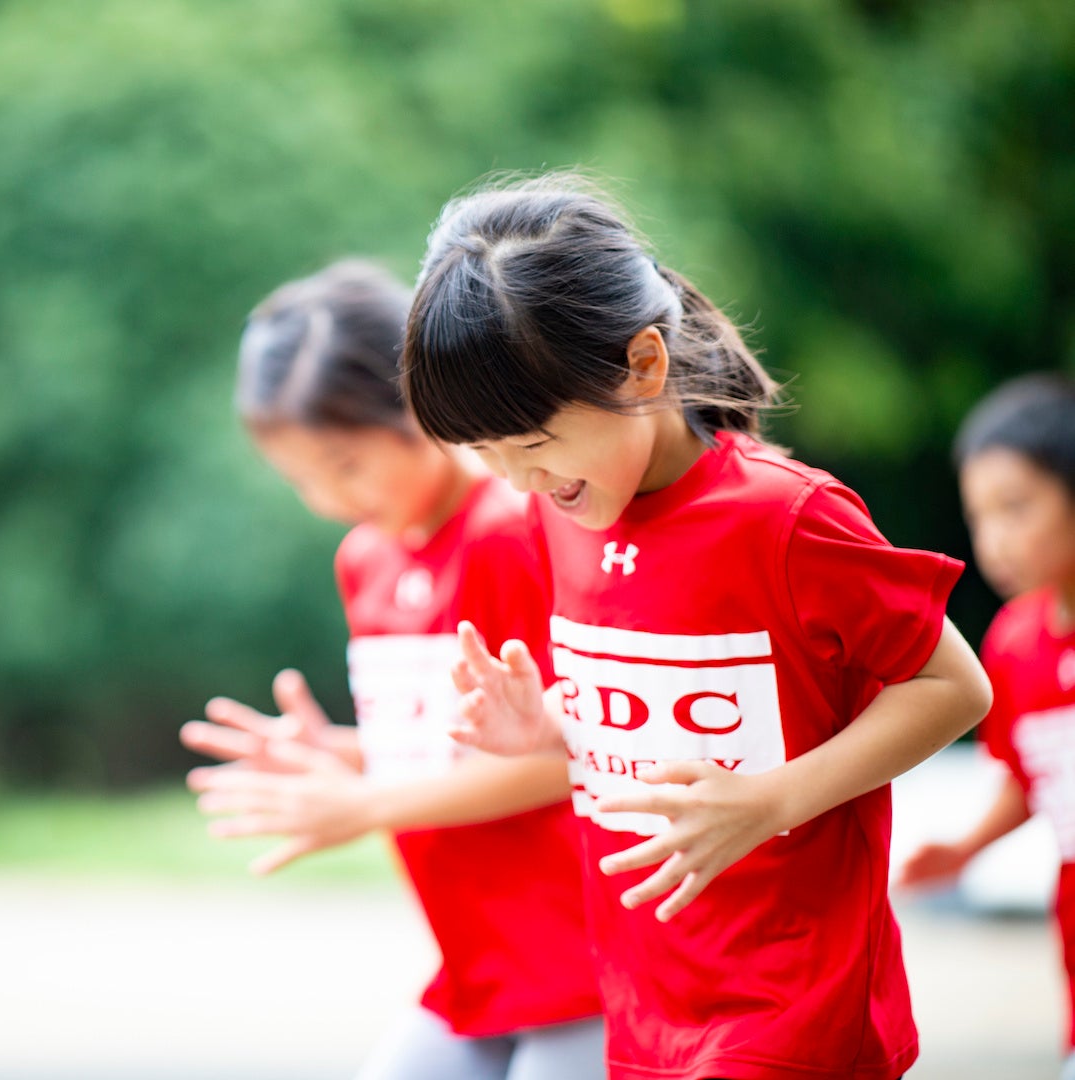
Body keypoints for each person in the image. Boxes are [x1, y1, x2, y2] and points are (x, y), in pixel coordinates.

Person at [398, 173, 992, 1079]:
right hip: (643, 1004)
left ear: (642, 364)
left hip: (790, 1010)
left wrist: (773, 803)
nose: (516, 479)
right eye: (484, 455)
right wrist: (551, 730)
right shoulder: (557, 513)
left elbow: (954, 687)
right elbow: (646, 730)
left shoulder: (783, 518)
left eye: (533, 443)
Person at [180, 259, 603, 1080]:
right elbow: (448, 752)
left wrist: (367, 801)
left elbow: (570, 751)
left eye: (343, 465)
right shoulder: (364, 561)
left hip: (582, 958)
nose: (327, 498)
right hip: (477, 962)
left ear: (419, 404)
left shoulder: (511, 528)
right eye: (299, 478)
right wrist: (341, 751)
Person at [897, 373, 1075, 1079]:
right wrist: (965, 850)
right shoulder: (1011, 643)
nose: (993, 538)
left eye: (1016, 507)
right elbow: (1040, 777)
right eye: (980, 515)